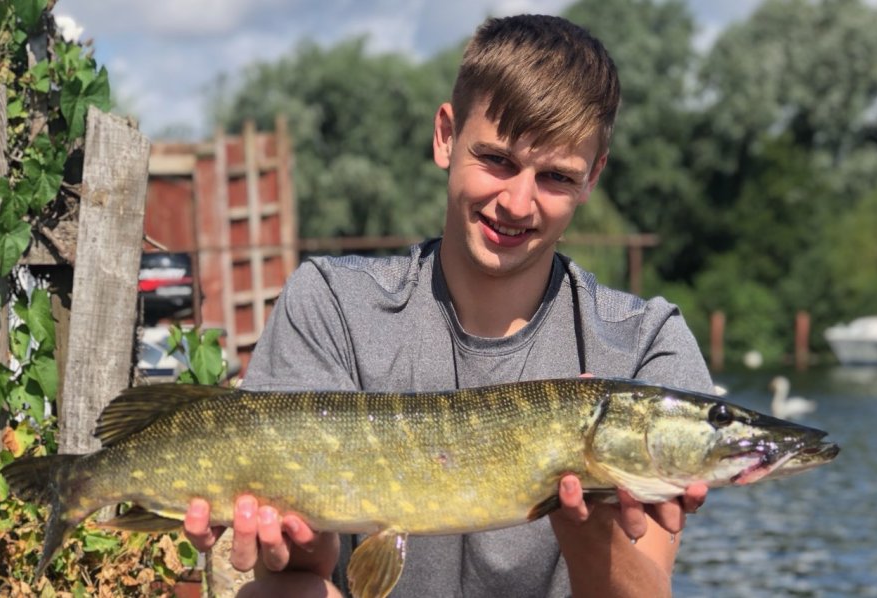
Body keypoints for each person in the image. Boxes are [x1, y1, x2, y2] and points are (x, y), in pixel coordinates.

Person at [184, 13, 713, 597]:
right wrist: (294, 544)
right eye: (498, 160)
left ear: (593, 178)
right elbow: (300, 572)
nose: (517, 202)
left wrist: (591, 527)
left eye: (556, 177)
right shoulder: (333, 303)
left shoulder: (645, 347)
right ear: (445, 135)